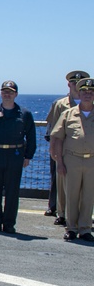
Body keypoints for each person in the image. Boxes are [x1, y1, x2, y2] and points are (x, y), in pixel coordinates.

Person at [0, 80, 36, 233]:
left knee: (12, 191)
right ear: (0, 93)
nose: (7, 94)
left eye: (10, 91)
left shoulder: (25, 114)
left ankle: (9, 224)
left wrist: (28, 156)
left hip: (15, 155)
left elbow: (31, 136)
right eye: (4, 91)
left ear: (16, 94)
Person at [49, 77, 94, 242]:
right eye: (84, 92)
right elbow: (57, 138)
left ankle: (86, 229)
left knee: (89, 197)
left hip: (92, 161)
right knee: (71, 196)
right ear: (79, 93)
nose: (87, 95)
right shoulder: (68, 114)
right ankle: (71, 228)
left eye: (91, 92)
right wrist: (59, 161)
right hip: (72, 160)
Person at [45, 70, 88, 224]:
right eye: (74, 82)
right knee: (61, 183)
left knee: (86, 187)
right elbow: (53, 130)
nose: (76, 85)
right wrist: (53, 151)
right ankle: (61, 213)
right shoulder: (60, 104)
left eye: (80, 83)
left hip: (87, 152)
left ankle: (83, 216)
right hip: (64, 150)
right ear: (69, 84)